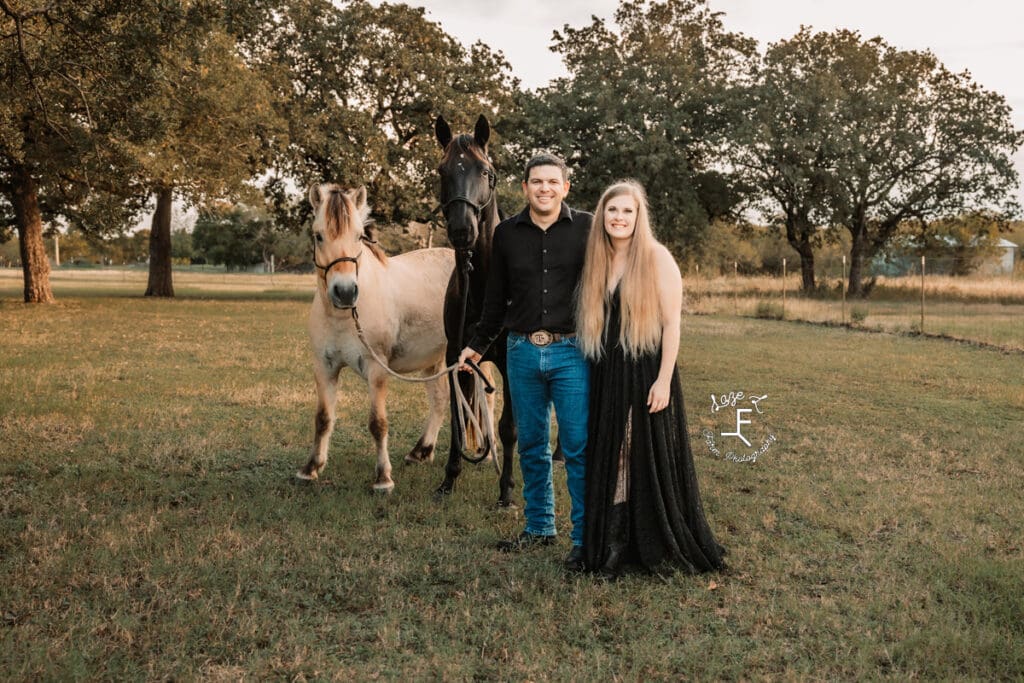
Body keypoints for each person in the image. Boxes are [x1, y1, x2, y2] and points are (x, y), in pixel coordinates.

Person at [576, 180, 725, 580]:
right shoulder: (599, 259)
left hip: (645, 371)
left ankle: (627, 543)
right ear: (602, 216)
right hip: (607, 372)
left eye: (627, 211)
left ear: (639, 217)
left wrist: (663, 380)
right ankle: (611, 540)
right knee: (609, 452)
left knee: (633, 452)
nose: (619, 217)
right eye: (612, 210)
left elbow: (672, 325)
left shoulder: (657, 258)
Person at [458, 153, 592, 572]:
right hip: (520, 351)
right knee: (531, 445)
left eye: (553, 182)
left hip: (573, 352)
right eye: (537, 182)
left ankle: (585, 539)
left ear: (565, 187)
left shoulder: (589, 228)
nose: (545, 188)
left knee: (576, 448)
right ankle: (539, 528)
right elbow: (495, 301)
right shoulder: (506, 235)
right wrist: (476, 347)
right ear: (524, 188)